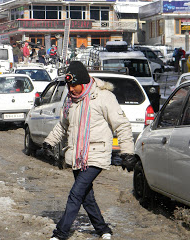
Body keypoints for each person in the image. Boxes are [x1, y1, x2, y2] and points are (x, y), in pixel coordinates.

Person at [43, 61, 136, 240]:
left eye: (74, 85)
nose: (71, 89)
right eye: (68, 85)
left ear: (84, 82)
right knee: (86, 196)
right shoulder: (70, 100)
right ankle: (103, 229)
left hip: (97, 153)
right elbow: (63, 125)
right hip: (77, 155)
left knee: (75, 194)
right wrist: (49, 142)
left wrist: (127, 152)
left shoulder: (103, 97)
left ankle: (60, 233)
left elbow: (122, 125)